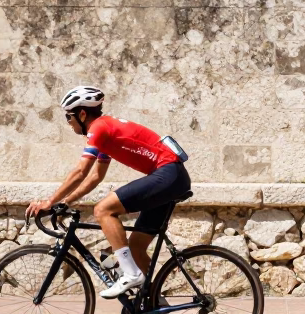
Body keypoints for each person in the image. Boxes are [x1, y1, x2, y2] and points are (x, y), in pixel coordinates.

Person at [26, 86, 191, 300]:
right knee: (136, 247)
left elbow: (80, 172)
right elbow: (95, 177)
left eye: (69, 116)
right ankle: (155, 307)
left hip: (168, 174)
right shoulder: (106, 132)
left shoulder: (99, 128)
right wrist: (66, 202)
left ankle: (131, 274)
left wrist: (49, 201)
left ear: (82, 114)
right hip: (171, 177)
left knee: (103, 210)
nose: (68, 122)